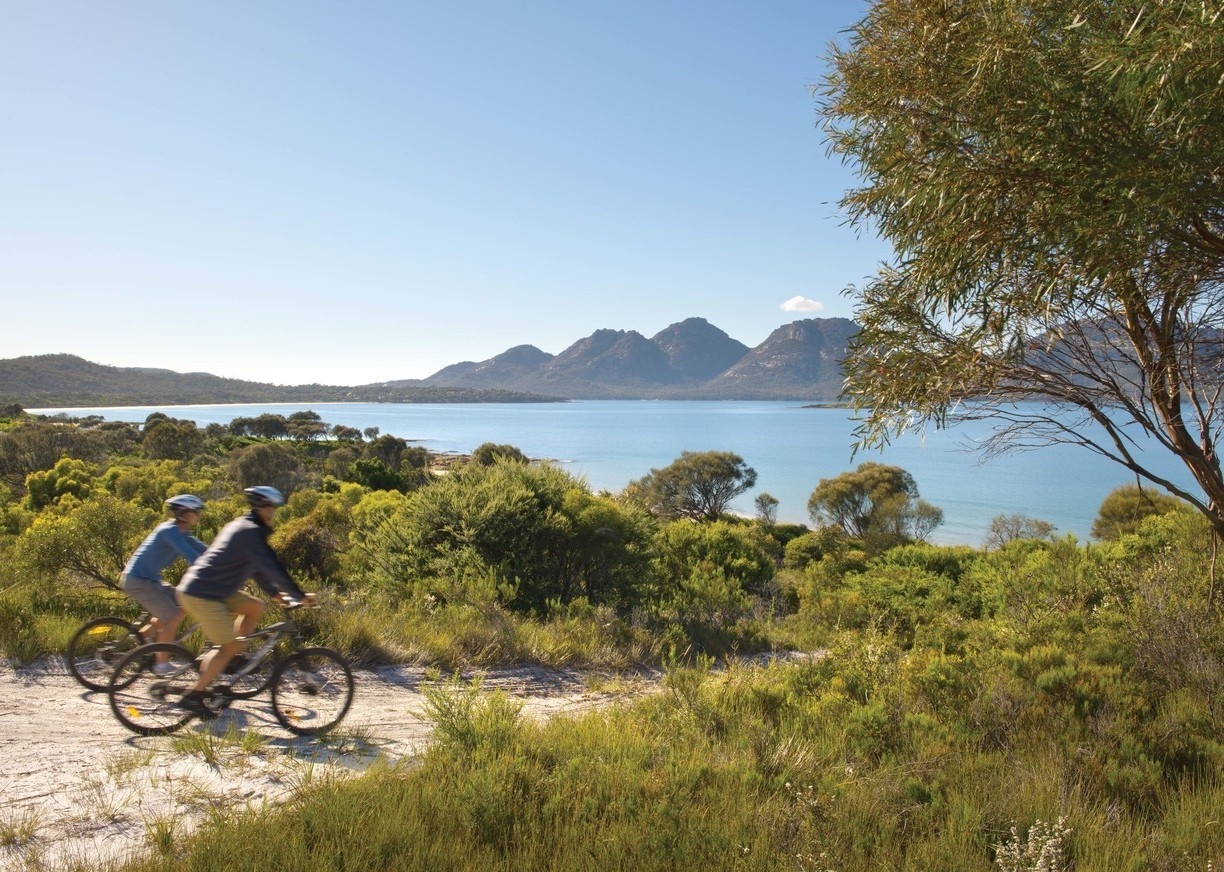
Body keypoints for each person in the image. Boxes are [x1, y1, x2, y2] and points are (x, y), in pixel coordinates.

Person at [175, 485, 315, 717]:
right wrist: (299, 595)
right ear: (259, 506)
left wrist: (275, 594)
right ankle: (195, 695)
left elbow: (257, 568)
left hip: (211, 589)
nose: (273, 512)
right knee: (227, 646)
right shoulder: (250, 532)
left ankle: (233, 657)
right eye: (270, 507)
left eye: (274, 507)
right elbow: (272, 566)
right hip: (203, 593)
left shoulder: (241, 526)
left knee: (254, 607)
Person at [121, 494, 208, 672]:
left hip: (149, 580)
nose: (199, 515)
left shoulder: (184, 534)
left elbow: (208, 551)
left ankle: (143, 636)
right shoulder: (169, 531)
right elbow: (191, 556)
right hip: (138, 580)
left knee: (182, 602)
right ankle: (161, 664)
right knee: (172, 617)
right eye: (195, 511)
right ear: (183, 513)